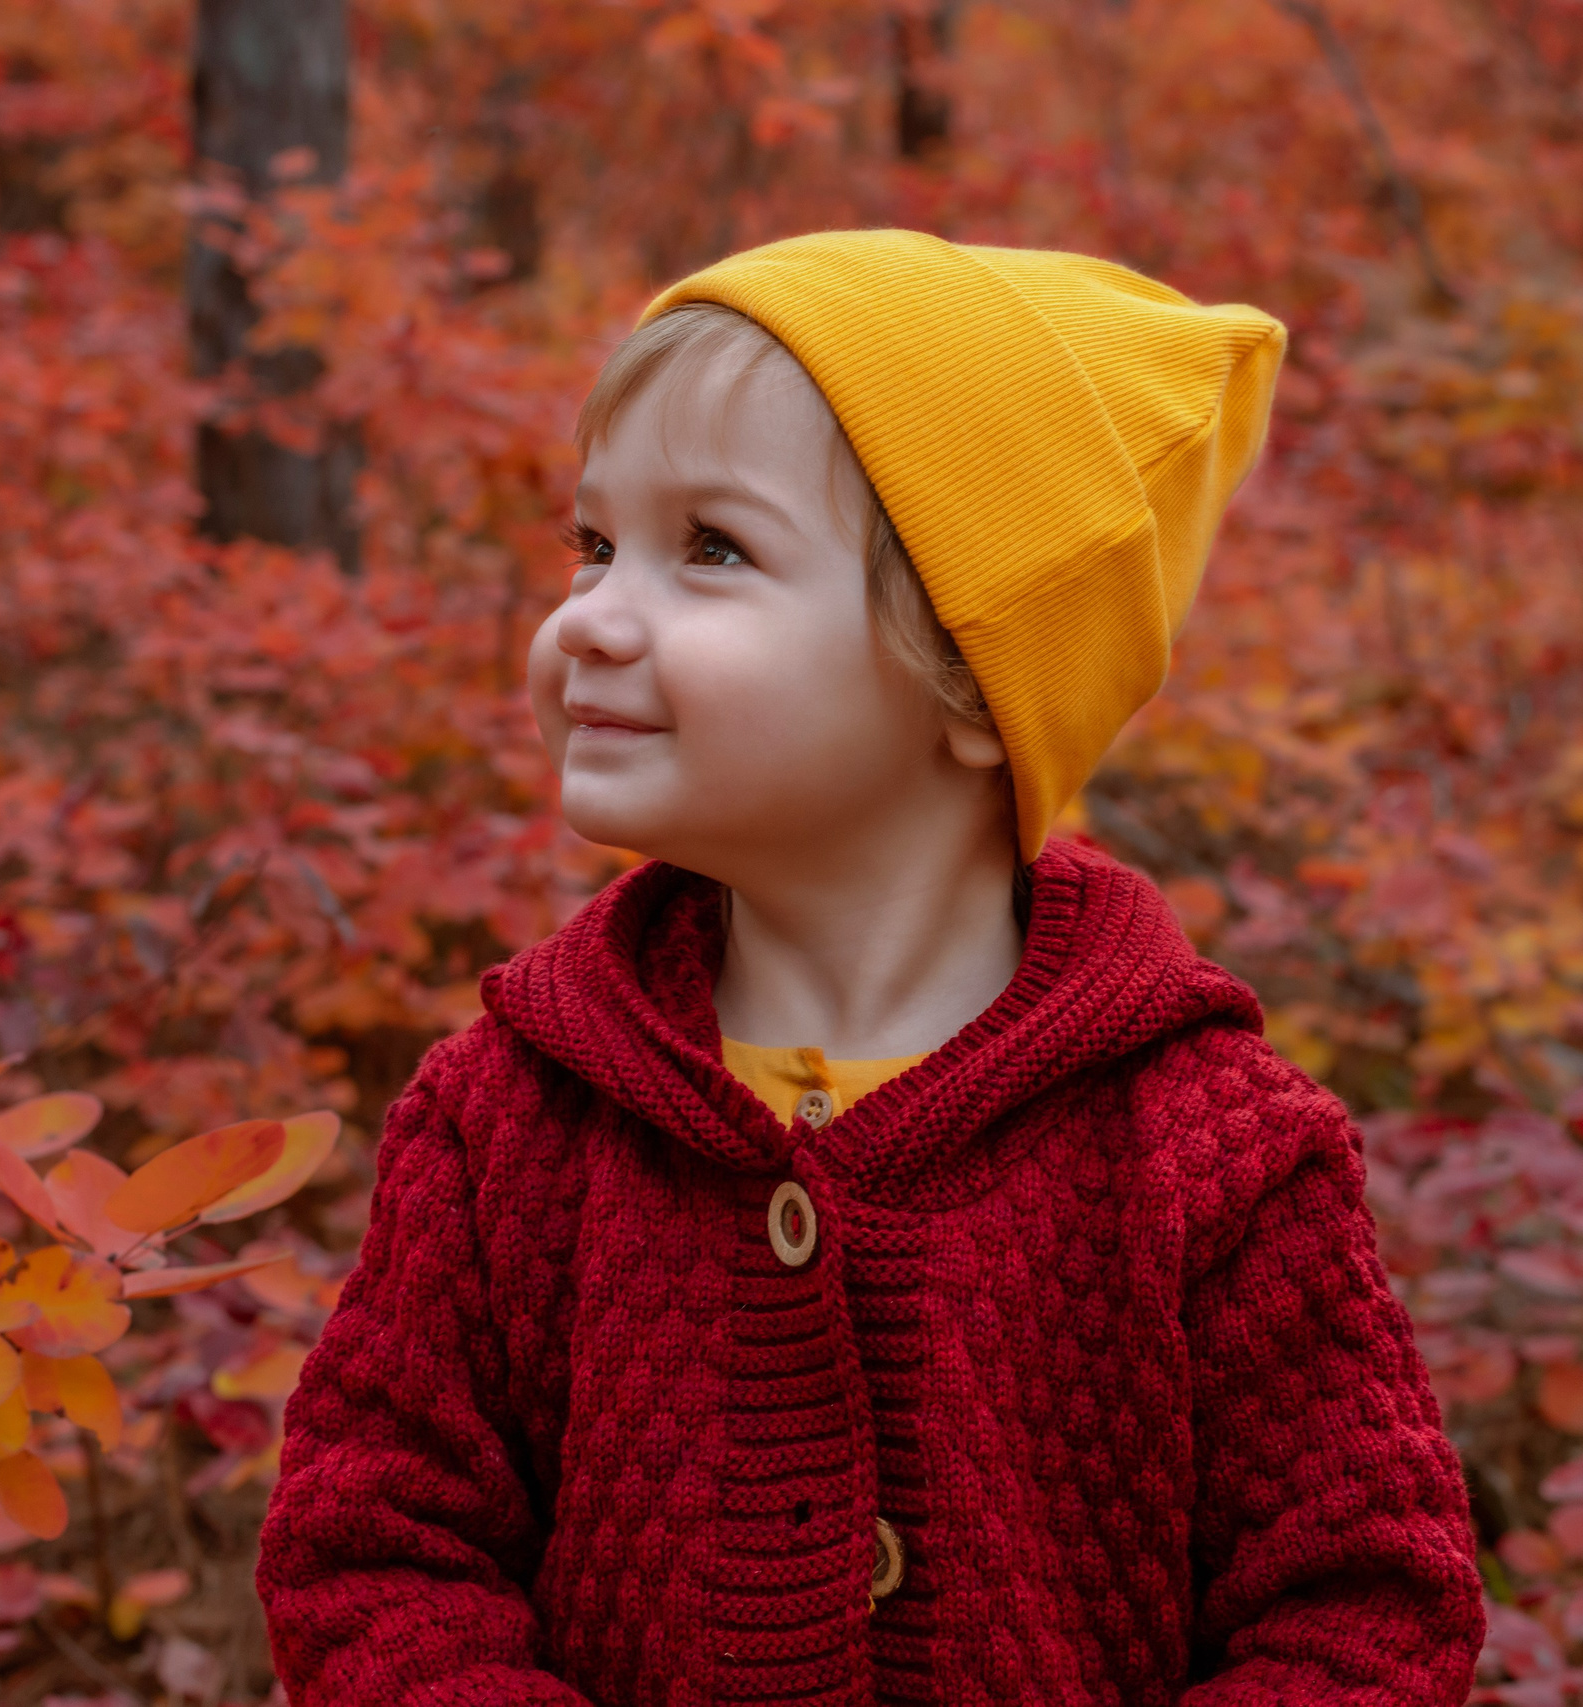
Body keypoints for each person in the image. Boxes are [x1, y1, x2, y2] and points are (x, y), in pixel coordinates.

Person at [253, 229, 1484, 1706]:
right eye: (594, 545)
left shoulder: (1211, 1154)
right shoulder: (509, 1118)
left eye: (711, 549)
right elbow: (374, 1551)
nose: (590, 617)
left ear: (971, 682)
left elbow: (1367, 1605)